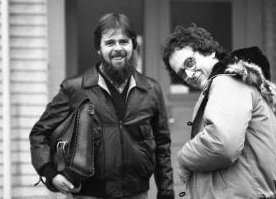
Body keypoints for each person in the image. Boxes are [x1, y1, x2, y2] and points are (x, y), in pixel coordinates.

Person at [30, 13, 174, 199]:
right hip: (89, 194)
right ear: (98, 48)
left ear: (133, 46)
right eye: (110, 43)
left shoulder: (151, 89)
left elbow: (162, 146)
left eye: (124, 42)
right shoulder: (75, 88)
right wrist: (50, 174)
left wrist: (166, 192)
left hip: (137, 193)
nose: (118, 49)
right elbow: (40, 133)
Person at [161, 25, 276, 199]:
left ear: (209, 51)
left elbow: (222, 144)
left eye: (189, 62)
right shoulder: (227, 83)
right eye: (182, 73)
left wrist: (184, 157)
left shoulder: (226, 82)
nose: (189, 74)